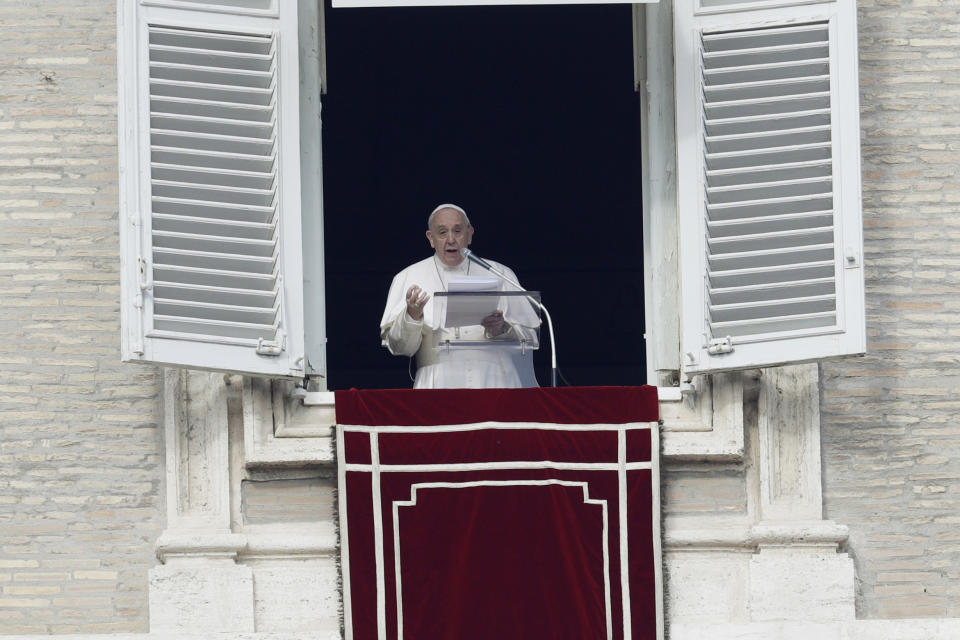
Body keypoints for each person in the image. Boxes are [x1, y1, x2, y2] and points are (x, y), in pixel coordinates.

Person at [379, 204, 539, 389]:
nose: (451, 239)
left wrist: (502, 328)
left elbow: (530, 337)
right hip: (438, 383)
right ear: (431, 238)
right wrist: (412, 316)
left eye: (457, 231)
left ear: (470, 234)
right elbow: (399, 348)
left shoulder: (501, 273)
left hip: (496, 380)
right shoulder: (408, 277)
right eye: (442, 232)